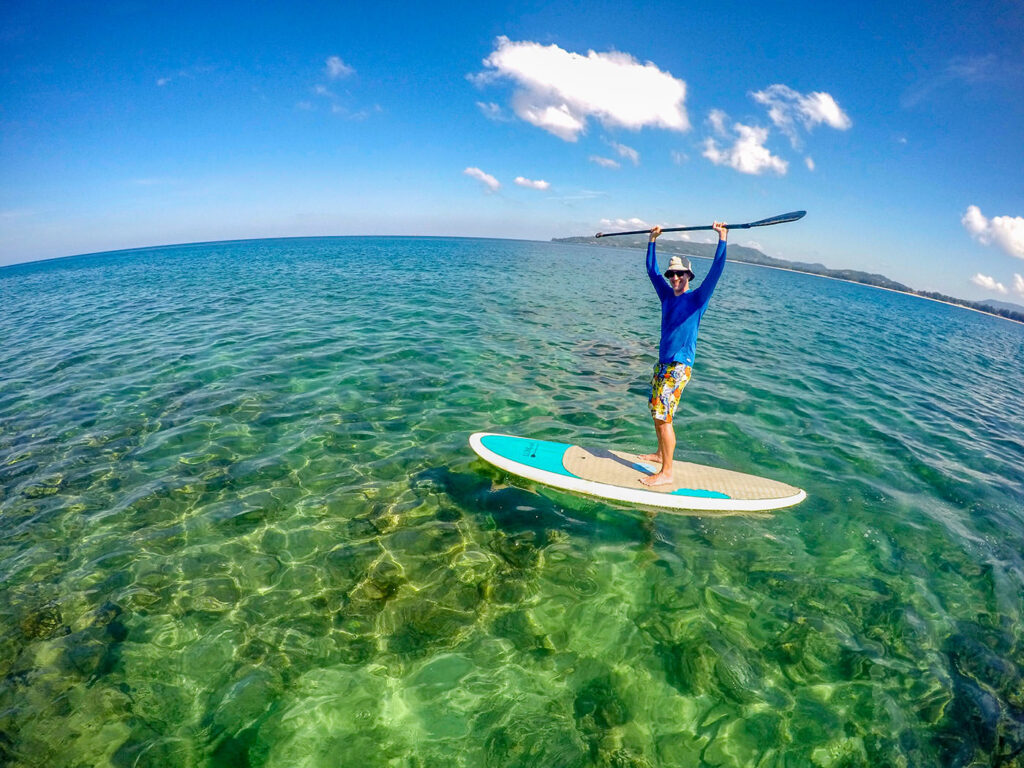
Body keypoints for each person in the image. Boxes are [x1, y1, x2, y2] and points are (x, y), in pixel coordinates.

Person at [638, 221, 728, 486]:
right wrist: (651, 241)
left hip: (679, 365)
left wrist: (722, 238)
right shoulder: (667, 297)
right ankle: (659, 454)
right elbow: (652, 272)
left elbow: (717, 271)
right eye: (672, 275)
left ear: (689, 276)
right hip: (663, 363)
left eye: (680, 274)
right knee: (657, 413)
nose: (675, 278)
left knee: (664, 417)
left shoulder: (698, 299)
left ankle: (667, 472)